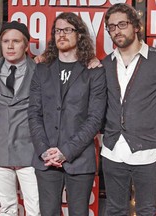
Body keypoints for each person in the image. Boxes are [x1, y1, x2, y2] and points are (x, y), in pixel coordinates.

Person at [101, 3, 156, 215]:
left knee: (146, 210)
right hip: (112, 151)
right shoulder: (105, 64)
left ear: (136, 26)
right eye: (112, 27)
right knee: (114, 209)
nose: (117, 31)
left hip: (149, 153)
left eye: (122, 24)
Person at [28, 12, 107, 216]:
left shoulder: (94, 70)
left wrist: (66, 151)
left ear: (79, 34)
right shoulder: (42, 69)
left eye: (68, 30)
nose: (61, 34)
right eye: (57, 30)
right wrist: (44, 149)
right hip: (46, 160)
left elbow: (95, 118)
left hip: (79, 159)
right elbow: (34, 113)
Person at [0, 21, 40, 216]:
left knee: (36, 208)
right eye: (5, 41)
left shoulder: (40, 70)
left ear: (26, 45)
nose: (10, 46)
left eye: (16, 41)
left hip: (30, 148)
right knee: (7, 208)